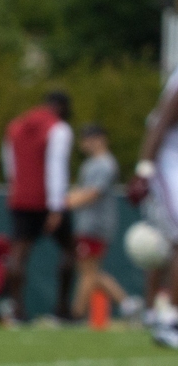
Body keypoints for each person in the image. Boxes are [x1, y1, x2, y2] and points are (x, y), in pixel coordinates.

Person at [2, 86, 74, 324]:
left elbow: (9, 164)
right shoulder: (58, 129)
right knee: (69, 251)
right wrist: (56, 206)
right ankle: (62, 308)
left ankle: (17, 310)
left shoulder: (14, 126)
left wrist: (16, 189)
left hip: (21, 197)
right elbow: (56, 167)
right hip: (46, 199)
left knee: (19, 254)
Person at [65, 124, 122, 323]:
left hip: (95, 225)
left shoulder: (105, 164)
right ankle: (127, 303)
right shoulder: (90, 164)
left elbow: (93, 193)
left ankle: (76, 313)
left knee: (88, 272)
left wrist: (64, 202)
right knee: (91, 272)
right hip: (86, 223)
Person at [137, 65, 178, 337]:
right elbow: (160, 123)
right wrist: (144, 170)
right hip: (169, 163)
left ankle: (157, 312)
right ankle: (170, 318)